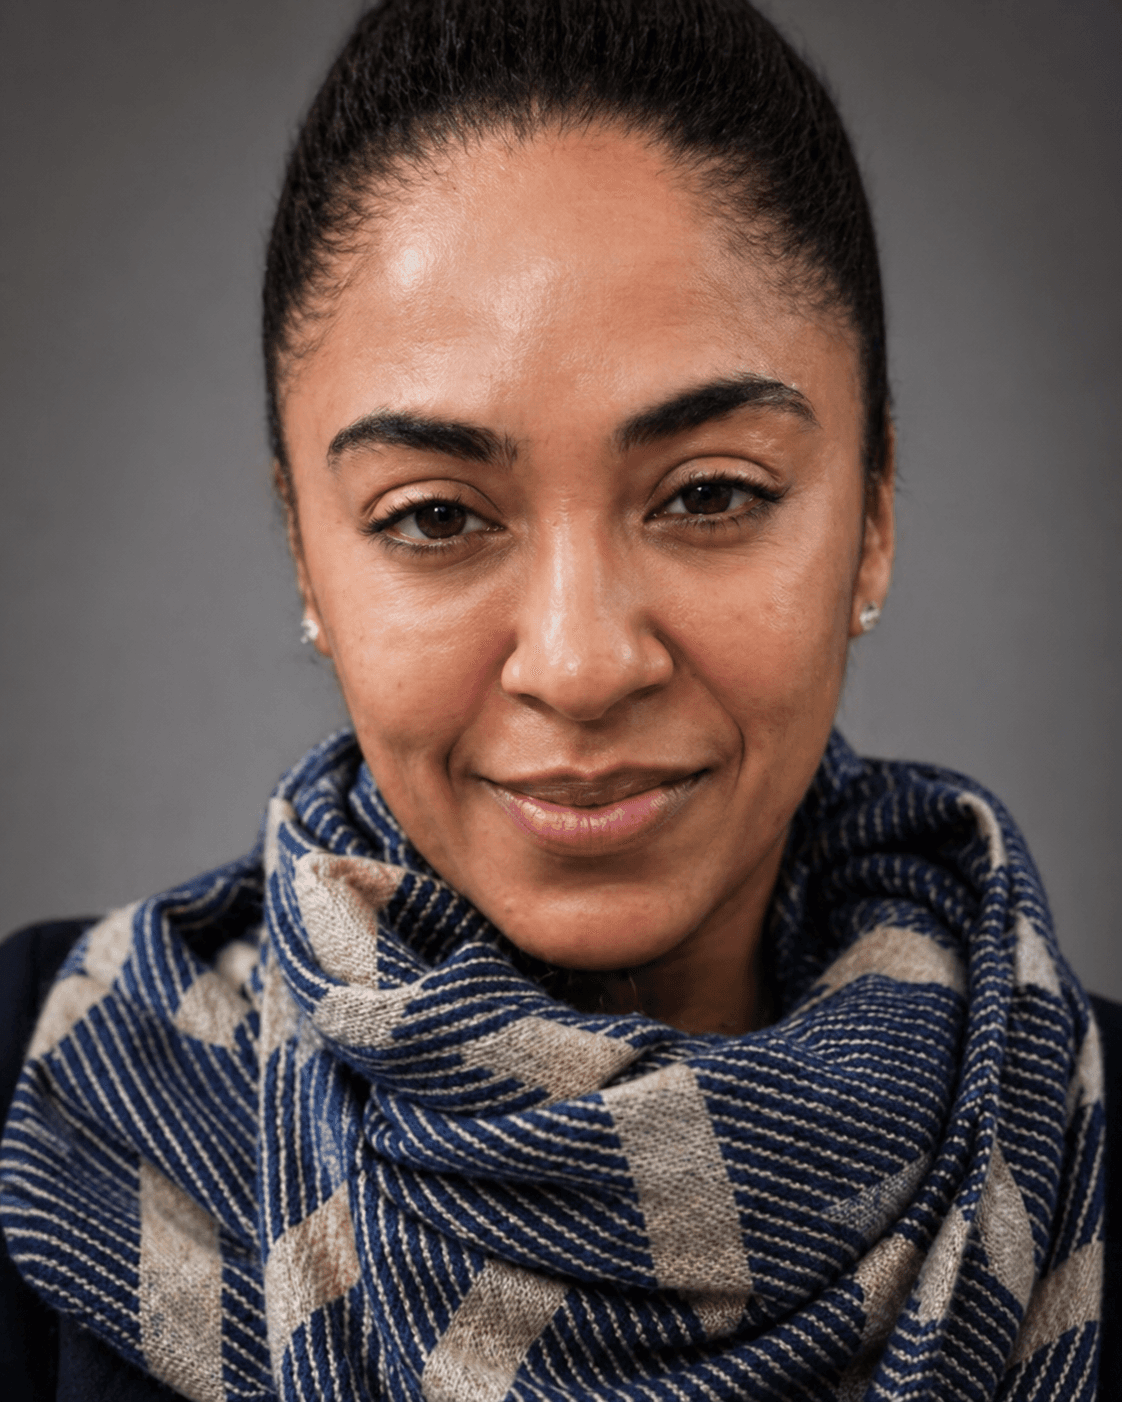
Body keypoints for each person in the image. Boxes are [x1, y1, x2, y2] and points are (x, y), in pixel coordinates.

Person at [0, 1, 1116, 1398]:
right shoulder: (49, 1094)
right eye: (433, 516)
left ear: (872, 509)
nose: (580, 665)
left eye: (710, 494)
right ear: (305, 548)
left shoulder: (1077, 1133)